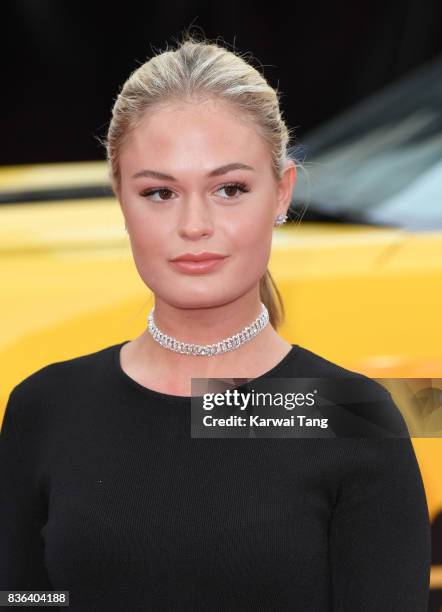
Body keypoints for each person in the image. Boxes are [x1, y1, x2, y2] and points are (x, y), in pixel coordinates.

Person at [0, 31, 431, 611]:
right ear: (120, 198)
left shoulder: (348, 417)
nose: (194, 225)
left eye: (229, 188)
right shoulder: (45, 407)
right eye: (160, 193)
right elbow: (23, 599)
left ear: (281, 194)